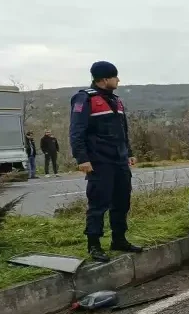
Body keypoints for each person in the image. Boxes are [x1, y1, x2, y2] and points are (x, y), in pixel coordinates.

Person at [69, 61, 143, 263]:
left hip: (119, 160)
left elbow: (123, 130)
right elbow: (77, 131)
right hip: (99, 161)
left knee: (122, 201)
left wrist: (129, 152)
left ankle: (119, 239)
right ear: (104, 79)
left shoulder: (116, 100)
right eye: (115, 76)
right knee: (98, 204)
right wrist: (82, 158)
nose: (118, 80)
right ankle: (94, 245)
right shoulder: (84, 98)